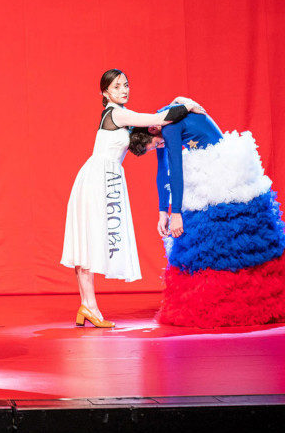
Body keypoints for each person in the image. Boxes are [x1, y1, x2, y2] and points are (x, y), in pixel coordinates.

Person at [128, 108, 285, 327]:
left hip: (221, 172)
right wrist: (163, 211)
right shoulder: (162, 122)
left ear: (153, 130)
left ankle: (241, 300)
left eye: (155, 145)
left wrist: (176, 213)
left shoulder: (168, 126)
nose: (158, 148)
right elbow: (163, 170)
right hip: (206, 169)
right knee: (206, 239)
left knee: (226, 236)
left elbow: (176, 171)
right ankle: (220, 297)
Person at [60, 69, 197, 328]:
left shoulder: (120, 116)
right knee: (88, 238)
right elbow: (159, 118)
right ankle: (89, 306)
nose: (124, 90)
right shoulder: (116, 113)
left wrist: (161, 139)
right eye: (117, 86)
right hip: (99, 178)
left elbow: (142, 140)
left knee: (88, 238)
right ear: (105, 93)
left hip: (105, 176)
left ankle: (87, 305)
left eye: (126, 85)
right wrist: (187, 106)